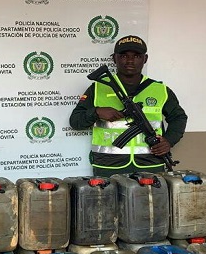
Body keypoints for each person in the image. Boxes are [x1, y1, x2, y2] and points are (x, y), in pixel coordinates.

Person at [69, 35, 188, 176]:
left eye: (136, 56)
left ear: (145, 59)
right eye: (124, 56)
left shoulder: (160, 90)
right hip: (108, 166)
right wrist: (97, 112)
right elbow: (75, 121)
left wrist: (168, 141)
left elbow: (179, 117)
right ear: (114, 58)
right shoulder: (97, 88)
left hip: (150, 164)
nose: (130, 61)